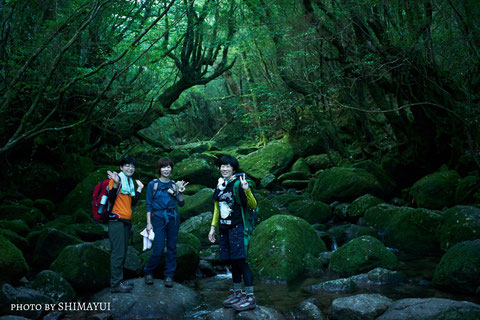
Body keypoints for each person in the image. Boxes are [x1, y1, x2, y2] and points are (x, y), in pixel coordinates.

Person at [208, 155, 258, 311]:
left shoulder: (238, 183)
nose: (224, 168)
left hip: (238, 227)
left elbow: (253, 204)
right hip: (224, 229)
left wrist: (247, 190)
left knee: (241, 261)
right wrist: (212, 227)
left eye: (228, 166)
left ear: (234, 168)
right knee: (232, 261)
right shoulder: (220, 185)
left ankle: (250, 296)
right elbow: (217, 208)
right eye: (222, 166)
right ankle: (237, 292)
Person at [144, 158, 188, 287]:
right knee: (157, 248)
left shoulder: (174, 185)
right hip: (158, 217)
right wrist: (148, 223)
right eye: (164, 167)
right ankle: (148, 272)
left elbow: (181, 203)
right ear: (159, 169)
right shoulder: (153, 184)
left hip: (173, 217)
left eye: (169, 167)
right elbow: (148, 204)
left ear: (171, 169)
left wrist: (180, 192)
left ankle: (169, 275)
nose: (166, 169)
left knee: (172, 247)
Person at [107, 156, 144, 293]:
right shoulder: (116, 179)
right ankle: (115, 284)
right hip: (116, 220)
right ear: (121, 167)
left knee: (122, 253)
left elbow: (132, 203)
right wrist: (115, 184)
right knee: (118, 253)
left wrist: (140, 188)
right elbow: (111, 198)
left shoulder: (129, 182)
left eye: (132, 166)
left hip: (126, 221)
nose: (130, 168)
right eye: (127, 166)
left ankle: (118, 280)